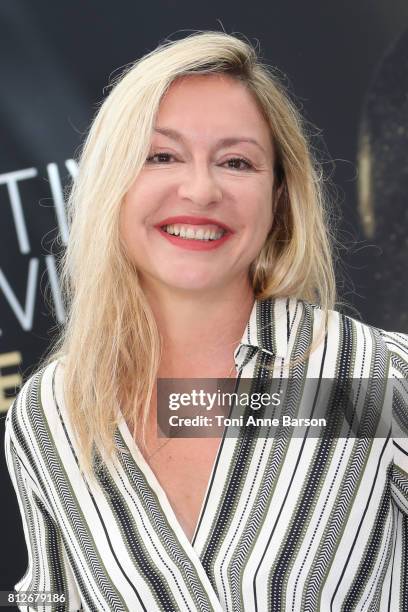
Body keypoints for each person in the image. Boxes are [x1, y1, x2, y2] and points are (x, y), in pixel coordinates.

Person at [4, 30, 408, 612]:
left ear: (279, 198)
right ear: (110, 183)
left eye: (236, 161)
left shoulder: (370, 378)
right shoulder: (50, 413)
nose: (200, 189)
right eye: (161, 155)